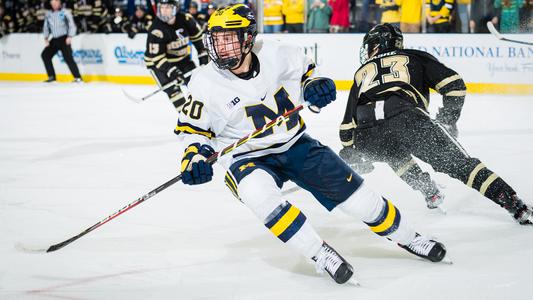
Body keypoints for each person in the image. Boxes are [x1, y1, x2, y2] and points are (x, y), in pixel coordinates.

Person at [176, 4, 448, 285]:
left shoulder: (277, 53)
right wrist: (194, 155)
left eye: (228, 39)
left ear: (248, 38)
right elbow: (192, 130)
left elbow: (309, 72)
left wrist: (314, 85)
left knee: (361, 202)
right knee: (259, 195)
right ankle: (319, 253)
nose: (221, 48)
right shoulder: (204, 81)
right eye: (216, 40)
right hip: (245, 157)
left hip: (295, 144)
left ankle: (409, 237)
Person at [340, 23, 533, 226]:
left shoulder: (360, 73)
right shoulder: (414, 57)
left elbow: (346, 126)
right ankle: (516, 207)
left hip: (367, 133)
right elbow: (455, 86)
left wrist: (350, 151)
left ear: (378, 45)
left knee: (394, 154)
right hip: (406, 120)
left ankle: (429, 191)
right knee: (461, 166)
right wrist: (448, 119)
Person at [144, 0, 208, 112]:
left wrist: (204, 61)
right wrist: (173, 72)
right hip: (158, 64)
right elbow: (157, 58)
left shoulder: (186, 19)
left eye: (167, 7)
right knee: (173, 90)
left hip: (182, 59)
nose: (164, 11)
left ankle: (204, 112)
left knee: (197, 85)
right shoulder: (156, 29)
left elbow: (199, 41)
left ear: (175, 8)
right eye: (162, 7)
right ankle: (185, 116)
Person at [41, 0, 82, 83]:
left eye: (56, 3)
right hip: (54, 39)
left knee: (68, 58)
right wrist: (46, 38)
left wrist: (70, 36)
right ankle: (51, 76)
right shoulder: (49, 14)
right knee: (45, 55)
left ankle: (78, 77)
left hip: (64, 38)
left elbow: (72, 25)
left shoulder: (65, 12)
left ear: (59, 3)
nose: (54, 5)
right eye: (53, 3)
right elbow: (46, 26)